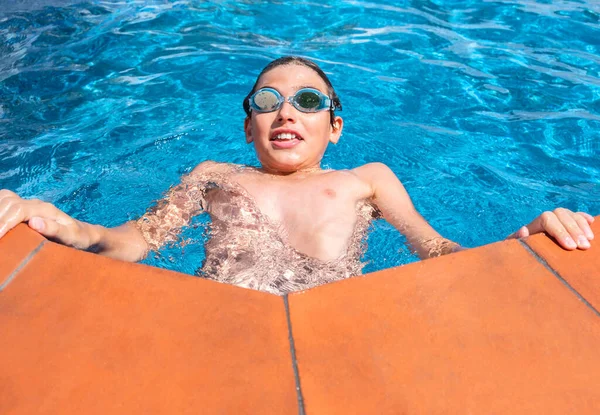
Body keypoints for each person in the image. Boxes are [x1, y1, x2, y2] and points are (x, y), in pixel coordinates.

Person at [0, 56, 595, 295]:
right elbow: (138, 238)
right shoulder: (213, 175)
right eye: (268, 100)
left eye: (308, 101)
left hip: (332, 322)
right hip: (223, 316)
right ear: (248, 128)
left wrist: (526, 242)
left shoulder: (367, 179)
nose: (287, 111)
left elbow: (435, 250)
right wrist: (65, 224)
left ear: (334, 126)